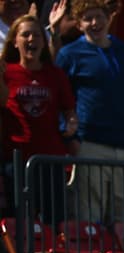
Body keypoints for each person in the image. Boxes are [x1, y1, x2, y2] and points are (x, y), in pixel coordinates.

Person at [55, 0, 124, 225]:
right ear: (79, 24)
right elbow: (59, 102)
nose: (94, 23)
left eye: (99, 16)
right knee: (89, 219)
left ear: (109, 17)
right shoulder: (69, 55)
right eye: (87, 18)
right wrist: (72, 141)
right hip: (90, 146)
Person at [2, 14, 75, 224]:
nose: (31, 39)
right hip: (17, 160)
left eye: (36, 35)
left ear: (44, 42)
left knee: (53, 223)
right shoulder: (7, 72)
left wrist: (71, 123)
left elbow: (69, 110)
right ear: (15, 41)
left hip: (51, 160)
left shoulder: (56, 75)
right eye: (25, 35)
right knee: (21, 225)